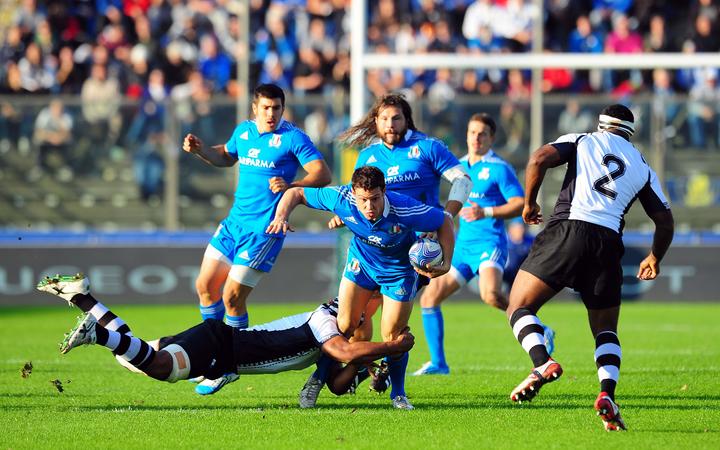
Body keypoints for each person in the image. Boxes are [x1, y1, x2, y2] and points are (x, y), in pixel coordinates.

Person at [506, 104, 674, 432]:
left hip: (569, 229)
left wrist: (529, 203)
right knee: (606, 330)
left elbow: (539, 158)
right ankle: (607, 395)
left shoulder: (583, 140)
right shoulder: (642, 165)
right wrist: (655, 257)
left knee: (519, 305)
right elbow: (665, 220)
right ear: (629, 131)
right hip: (608, 242)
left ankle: (542, 363)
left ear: (601, 124)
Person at [300, 92, 472, 406]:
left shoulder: (428, 147)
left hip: (412, 253)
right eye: (384, 119)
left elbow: (462, 180)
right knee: (350, 325)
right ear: (376, 121)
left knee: (393, 328)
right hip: (371, 251)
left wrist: (446, 214)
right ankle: (336, 375)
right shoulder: (369, 155)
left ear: (407, 119)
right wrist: (343, 216)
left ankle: (396, 389)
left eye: (396, 118)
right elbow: (358, 194)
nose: (390, 124)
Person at [182, 83, 332, 394]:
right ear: (255, 108)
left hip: (265, 230)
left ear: (283, 108)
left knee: (233, 298)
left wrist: (292, 183)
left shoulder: (293, 138)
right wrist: (201, 151)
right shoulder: (244, 132)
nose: (271, 114)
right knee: (205, 287)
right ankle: (215, 354)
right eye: (265, 108)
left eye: (276, 108)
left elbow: (322, 173)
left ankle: (229, 364)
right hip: (234, 224)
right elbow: (225, 156)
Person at [266, 166, 455, 409]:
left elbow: (445, 220)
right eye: (363, 200)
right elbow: (296, 194)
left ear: (384, 192)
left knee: (394, 336)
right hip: (362, 264)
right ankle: (316, 380)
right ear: (353, 193)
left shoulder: (405, 208)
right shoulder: (341, 198)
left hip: (398, 272)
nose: (369, 207)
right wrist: (281, 216)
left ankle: (398, 394)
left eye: (375, 199)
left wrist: (446, 262)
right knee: (344, 325)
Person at [36, 274, 413, 395]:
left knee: (134, 357)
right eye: (377, 299)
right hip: (224, 347)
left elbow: (336, 381)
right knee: (162, 369)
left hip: (223, 344)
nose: (378, 306)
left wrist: (370, 368)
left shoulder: (344, 329)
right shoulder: (325, 318)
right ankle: (97, 335)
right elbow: (342, 350)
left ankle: (83, 297)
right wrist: (389, 346)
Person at [412, 113, 554, 376]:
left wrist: (486, 212)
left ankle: (540, 329)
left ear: (492, 138)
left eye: (482, 134)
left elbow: (518, 203)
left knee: (490, 295)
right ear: (466, 135)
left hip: (490, 243)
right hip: (462, 247)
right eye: (472, 132)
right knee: (429, 298)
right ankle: (438, 364)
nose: (476, 138)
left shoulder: (499, 169)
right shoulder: (457, 168)